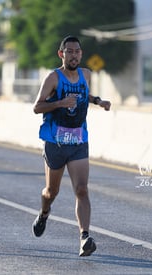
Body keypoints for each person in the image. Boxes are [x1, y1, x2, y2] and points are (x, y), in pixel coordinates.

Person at [32, 35, 111, 256]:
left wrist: (98, 101)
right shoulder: (53, 78)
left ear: (81, 54)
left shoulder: (86, 74)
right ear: (61, 54)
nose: (73, 55)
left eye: (77, 51)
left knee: (82, 189)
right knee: (51, 191)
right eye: (69, 51)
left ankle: (85, 237)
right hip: (55, 142)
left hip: (78, 141)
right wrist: (59, 103)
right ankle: (44, 213)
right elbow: (37, 107)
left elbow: (85, 95)